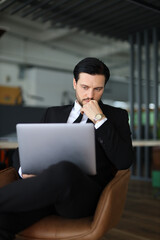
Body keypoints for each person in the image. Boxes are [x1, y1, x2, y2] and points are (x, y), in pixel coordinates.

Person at [0, 57, 134, 239]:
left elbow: (124, 161)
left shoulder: (116, 116)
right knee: (3, 220)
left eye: (98, 89)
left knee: (64, 170)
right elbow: (22, 151)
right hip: (45, 193)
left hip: (83, 199)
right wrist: (25, 171)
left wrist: (100, 120)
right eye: (85, 87)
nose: (90, 95)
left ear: (104, 87)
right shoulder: (53, 113)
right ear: (74, 83)